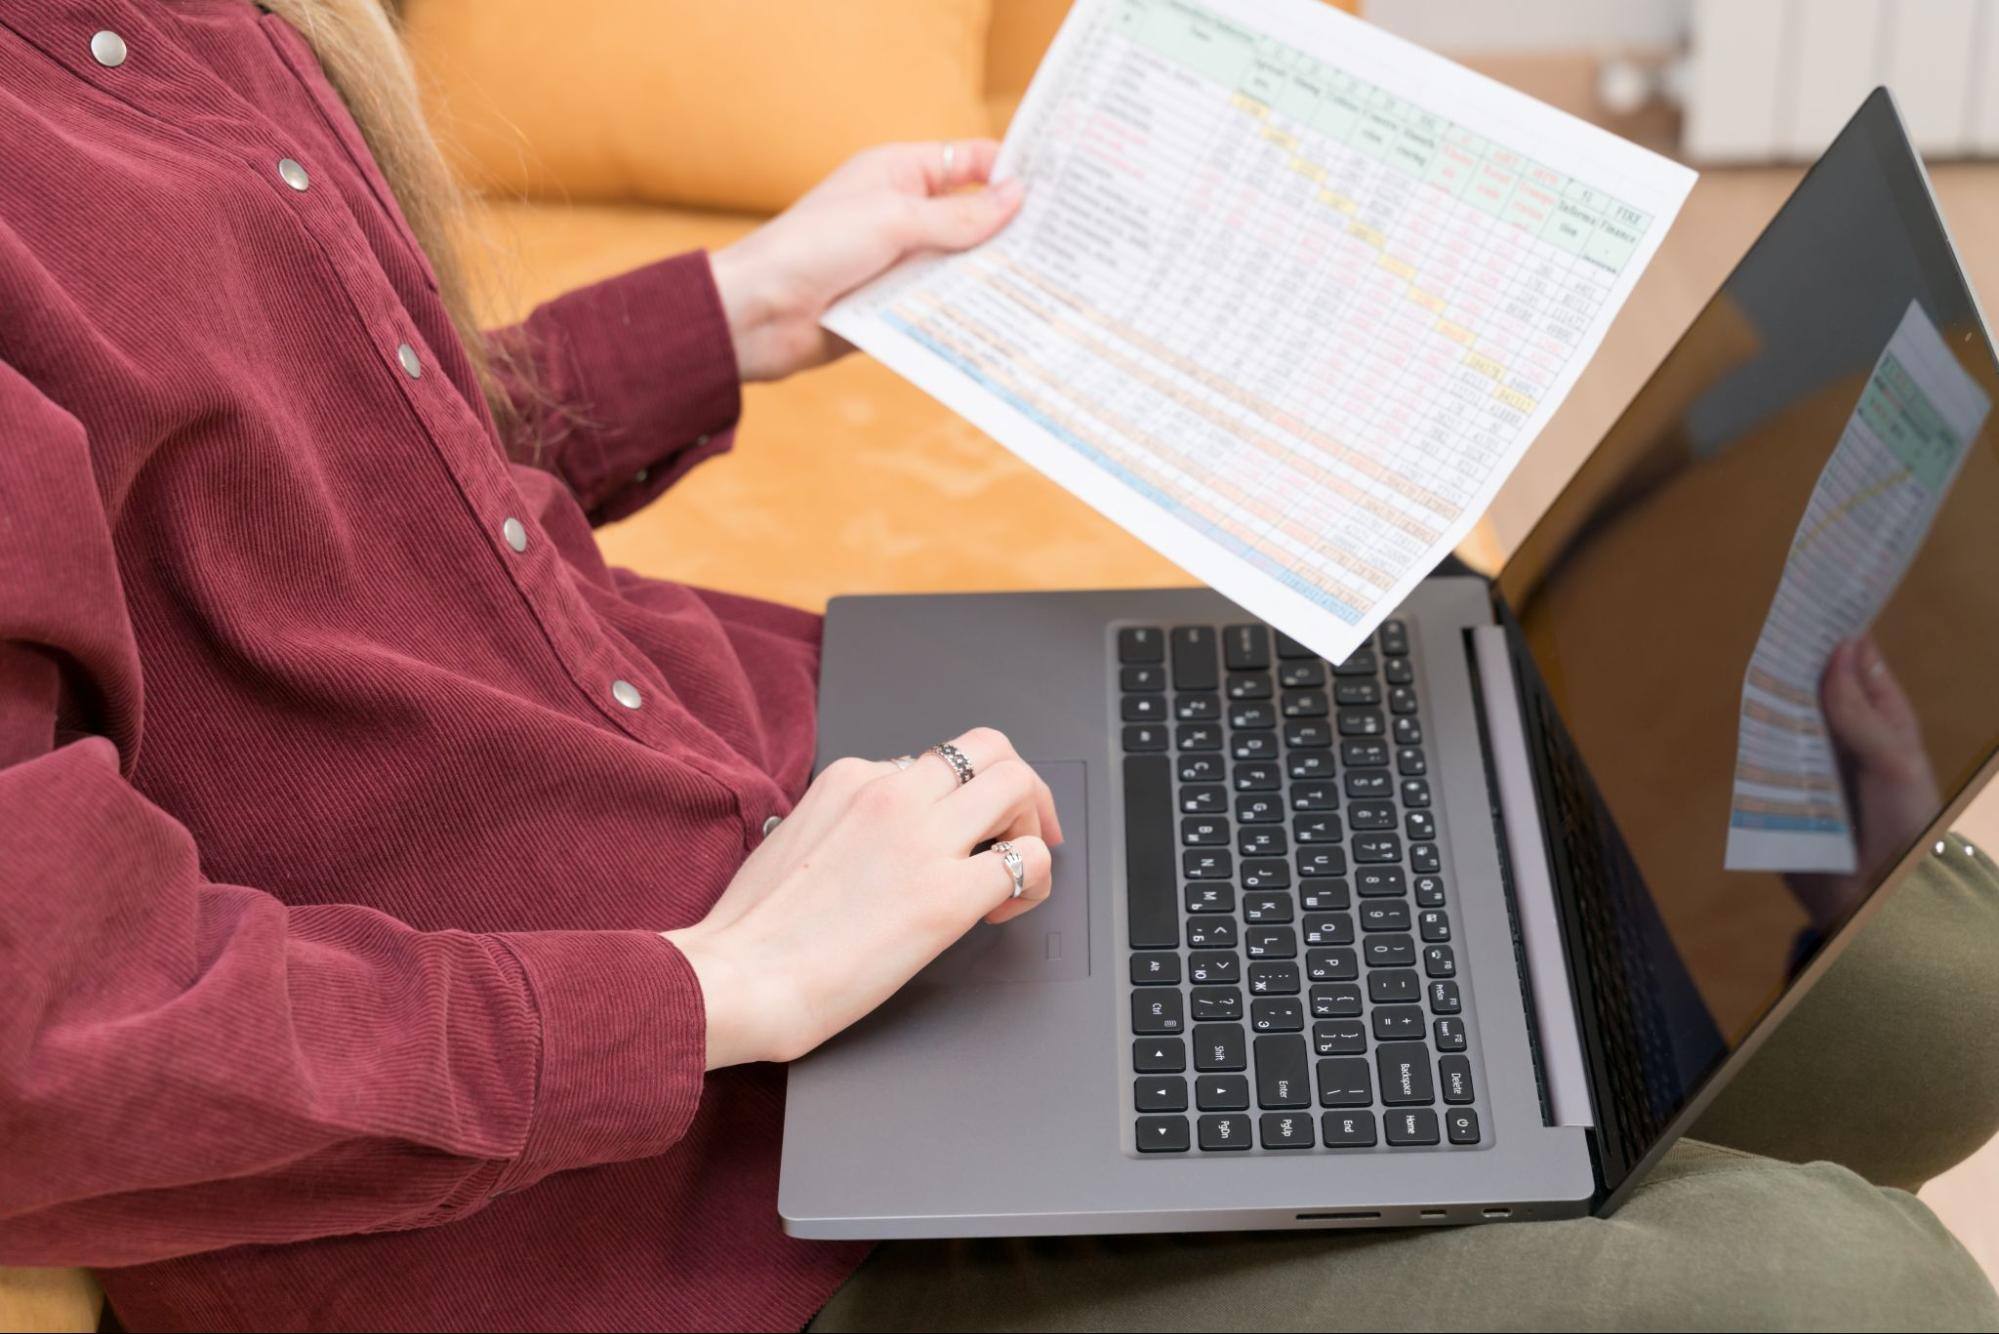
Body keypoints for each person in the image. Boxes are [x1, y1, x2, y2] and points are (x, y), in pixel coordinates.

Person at [0, 4, 1991, 1331]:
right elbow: (48, 1049)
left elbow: (310, 510)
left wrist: (724, 311)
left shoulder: (190, 31)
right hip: (640, 1209)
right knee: (1847, 1283)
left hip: (854, 811)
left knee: (1938, 991)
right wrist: (707, 987)